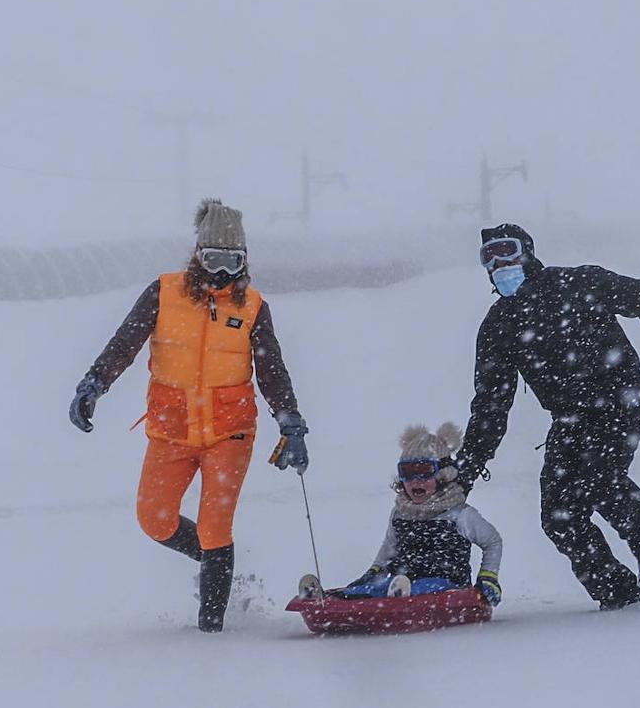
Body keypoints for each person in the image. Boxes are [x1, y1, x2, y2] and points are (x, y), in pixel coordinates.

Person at [68, 199, 309, 632]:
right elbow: (124, 344)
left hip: (230, 433)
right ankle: (211, 559)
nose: (221, 273)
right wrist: (94, 383)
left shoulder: (252, 307)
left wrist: (289, 420)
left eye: (231, 262)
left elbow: (271, 370)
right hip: (172, 431)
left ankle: (210, 631)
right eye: (213, 260)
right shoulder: (164, 293)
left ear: (244, 261)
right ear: (198, 253)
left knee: (216, 526)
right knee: (153, 519)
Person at [455, 224, 640, 610]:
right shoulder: (500, 325)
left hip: (619, 397)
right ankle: (619, 597)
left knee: (599, 479)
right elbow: (492, 404)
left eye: (506, 250)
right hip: (569, 417)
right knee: (559, 517)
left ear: (527, 251)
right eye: (489, 256)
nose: (499, 262)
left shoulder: (579, 283)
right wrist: (469, 466)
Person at [341, 423, 502, 607]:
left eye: (425, 472)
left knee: (422, 588)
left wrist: (488, 577)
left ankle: (396, 597)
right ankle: (341, 598)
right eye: (408, 473)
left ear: (443, 475)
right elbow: (389, 547)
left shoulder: (458, 514)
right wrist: (373, 572)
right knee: (373, 589)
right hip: (400, 578)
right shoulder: (400, 513)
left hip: (447, 586)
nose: (416, 481)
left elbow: (493, 541)